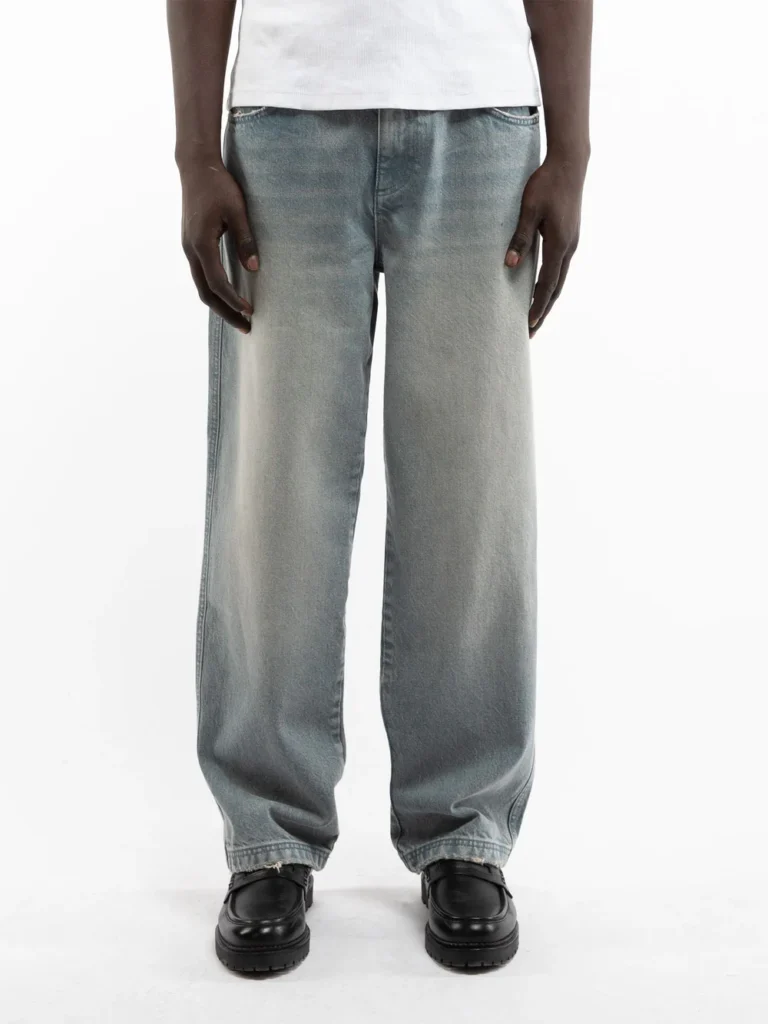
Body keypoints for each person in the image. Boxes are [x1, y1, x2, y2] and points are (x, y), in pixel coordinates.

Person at [167, 0, 591, 973]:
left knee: (471, 498)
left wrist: (572, 150)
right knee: (273, 499)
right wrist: (195, 152)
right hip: (285, 118)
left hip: (480, 115)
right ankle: (267, 834)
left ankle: (466, 828)